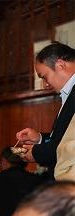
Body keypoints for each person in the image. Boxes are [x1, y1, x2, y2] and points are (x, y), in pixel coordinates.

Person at [16, 42, 75, 178]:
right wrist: (40, 138)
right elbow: (65, 138)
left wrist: (36, 152)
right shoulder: (69, 92)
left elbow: (68, 148)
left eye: (44, 76)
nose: (45, 85)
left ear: (60, 65)